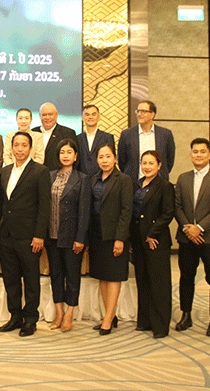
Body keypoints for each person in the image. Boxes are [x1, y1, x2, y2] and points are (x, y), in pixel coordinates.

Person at [0, 132, 51, 337]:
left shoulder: (40, 171)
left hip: (29, 236)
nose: (20, 149)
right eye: (16, 145)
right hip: (6, 234)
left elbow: (44, 206)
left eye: (24, 145)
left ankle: (30, 319)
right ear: (12, 148)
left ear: (31, 148)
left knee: (31, 281)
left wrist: (39, 235)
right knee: (11, 279)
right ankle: (15, 316)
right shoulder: (5, 171)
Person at [174, 138, 210, 337]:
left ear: (209, 155)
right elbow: (177, 206)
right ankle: (186, 315)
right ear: (190, 155)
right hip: (186, 237)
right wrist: (188, 229)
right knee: (186, 277)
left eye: (203, 151)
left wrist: (199, 228)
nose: (199, 155)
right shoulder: (183, 178)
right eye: (195, 152)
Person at [88, 143, 132, 335]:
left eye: (108, 156)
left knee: (113, 276)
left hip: (114, 235)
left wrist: (120, 238)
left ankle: (108, 317)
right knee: (102, 276)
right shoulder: (93, 179)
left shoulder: (124, 180)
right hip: (97, 234)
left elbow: (126, 211)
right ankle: (110, 314)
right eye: (101, 157)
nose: (104, 161)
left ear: (115, 158)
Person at [45, 138, 90, 332]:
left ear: (76, 156)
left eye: (69, 152)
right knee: (55, 275)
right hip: (51, 236)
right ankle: (59, 312)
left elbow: (85, 211)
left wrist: (81, 238)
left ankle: (70, 313)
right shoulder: (49, 176)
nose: (65, 155)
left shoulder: (82, 178)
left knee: (72, 276)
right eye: (62, 152)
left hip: (72, 238)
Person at [130, 150, 174, 339]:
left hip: (156, 241)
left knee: (159, 283)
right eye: (144, 163)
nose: (147, 167)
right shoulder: (137, 184)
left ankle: (160, 326)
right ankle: (145, 320)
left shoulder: (165, 186)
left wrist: (151, 233)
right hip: (138, 239)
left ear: (159, 165)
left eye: (151, 163)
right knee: (142, 280)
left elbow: (168, 213)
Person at [117, 100, 175, 181]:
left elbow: (169, 161)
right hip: (133, 183)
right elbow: (122, 162)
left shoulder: (165, 134)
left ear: (152, 115)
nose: (139, 114)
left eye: (143, 111)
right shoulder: (126, 134)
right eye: (138, 111)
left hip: (159, 183)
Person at [33, 102, 79, 171]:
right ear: (40, 116)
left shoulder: (68, 133)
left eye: (50, 114)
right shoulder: (33, 132)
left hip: (59, 175)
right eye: (44, 115)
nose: (47, 118)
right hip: (35, 174)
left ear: (56, 114)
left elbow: (75, 159)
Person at [76, 104, 115, 177]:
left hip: (102, 179)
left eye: (93, 114)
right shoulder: (77, 138)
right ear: (82, 117)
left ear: (99, 117)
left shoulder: (108, 137)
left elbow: (111, 161)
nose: (90, 117)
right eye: (87, 115)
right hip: (81, 179)